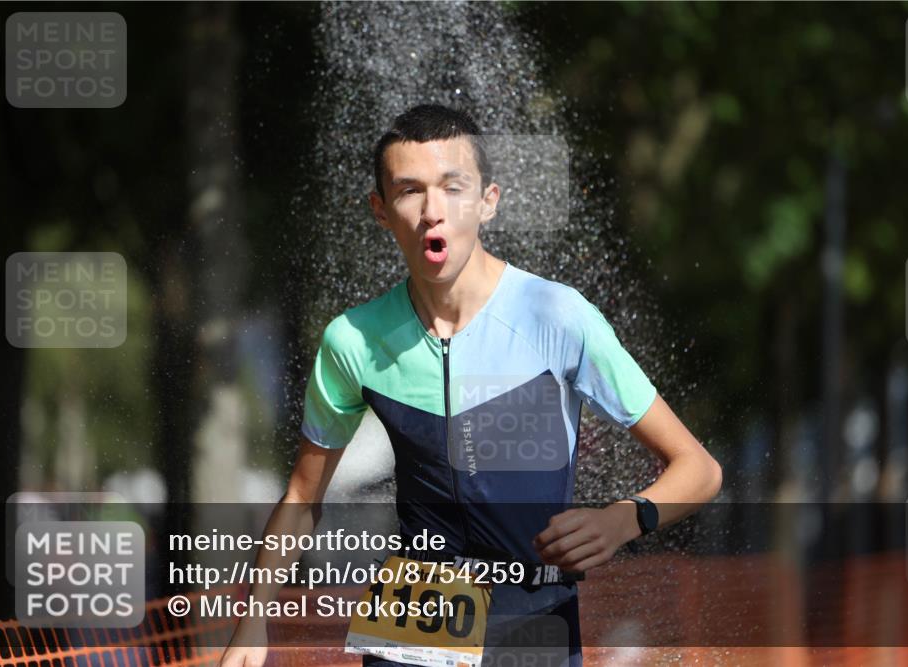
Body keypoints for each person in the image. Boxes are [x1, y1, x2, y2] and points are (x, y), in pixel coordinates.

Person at [218, 104, 722, 667]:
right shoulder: (352, 341)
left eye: (452, 187)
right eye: (410, 191)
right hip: (410, 620)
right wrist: (253, 621)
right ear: (381, 211)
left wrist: (623, 518)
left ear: (488, 201)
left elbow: (698, 469)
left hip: (534, 624)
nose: (433, 211)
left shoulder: (556, 316)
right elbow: (302, 498)